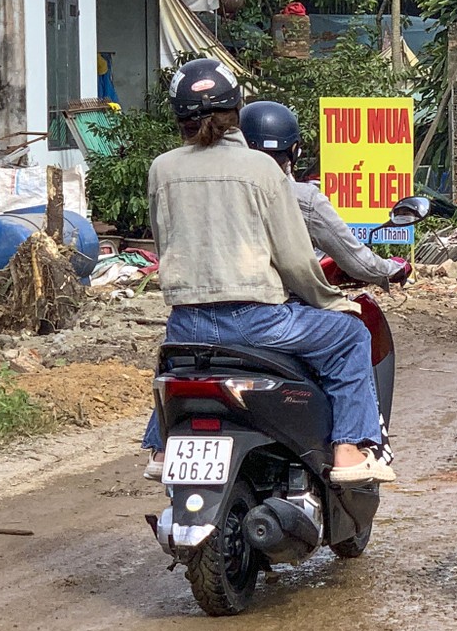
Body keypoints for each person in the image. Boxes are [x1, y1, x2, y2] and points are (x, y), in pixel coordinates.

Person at [140, 59, 394, 485]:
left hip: (186, 322)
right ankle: (349, 452)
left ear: (179, 117)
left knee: (180, 367)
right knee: (352, 336)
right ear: (235, 108)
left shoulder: (161, 168)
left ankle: (164, 448)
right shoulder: (262, 169)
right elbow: (295, 261)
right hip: (257, 323)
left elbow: (165, 244)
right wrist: (332, 302)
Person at [236, 100, 407, 287]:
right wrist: (391, 268)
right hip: (271, 304)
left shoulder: (214, 188)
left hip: (206, 304)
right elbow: (357, 261)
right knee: (351, 317)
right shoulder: (303, 198)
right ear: (293, 150)